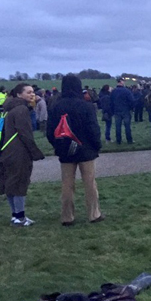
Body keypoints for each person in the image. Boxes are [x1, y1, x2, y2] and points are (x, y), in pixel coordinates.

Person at [47, 75, 104, 225]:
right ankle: (94, 214)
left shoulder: (56, 107)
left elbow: (50, 131)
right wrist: (96, 145)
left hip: (65, 149)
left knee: (67, 184)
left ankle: (67, 216)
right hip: (86, 149)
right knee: (90, 183)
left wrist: (57, 146)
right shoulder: (86, 106)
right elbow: (93, 129)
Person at [0, 83, 45, 226]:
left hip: (6, 150)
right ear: (19, 94)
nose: (32, 94)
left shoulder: (9, 108)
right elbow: (25, 133)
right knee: (19, 183)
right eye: (28, 92)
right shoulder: (21, 109)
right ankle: (20, 217)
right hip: (18, 151)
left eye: (33, 92)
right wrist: (35, 152)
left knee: (10, 183)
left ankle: (15, 215)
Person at [110, 80, 135, 144]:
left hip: (116, 111)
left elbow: (111, 102)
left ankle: (118, 140)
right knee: (127, 126)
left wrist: (112, 110)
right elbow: (132, 100)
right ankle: (129, 140)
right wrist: (131, 108)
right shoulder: (127, 91)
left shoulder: (113, 91)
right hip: (126, 110)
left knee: (118, 126)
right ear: (122, 82)